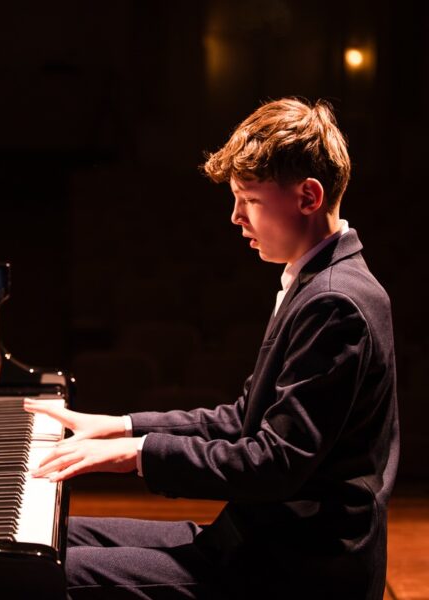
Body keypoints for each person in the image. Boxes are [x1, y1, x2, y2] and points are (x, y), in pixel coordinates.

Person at [25, 97, 399, 600]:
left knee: (40, 578)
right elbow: (243, 419)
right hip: (254, 542)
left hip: (297, 570)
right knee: (41, 545)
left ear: (308, 197)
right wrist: (121, 426)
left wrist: (135, 455)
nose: (235, 216)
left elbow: (273, 464)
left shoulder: (336, 302)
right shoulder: (318, 282)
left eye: (249, 199)